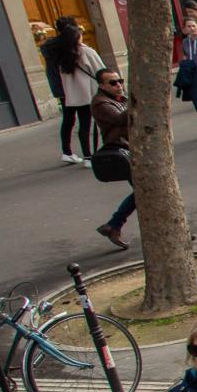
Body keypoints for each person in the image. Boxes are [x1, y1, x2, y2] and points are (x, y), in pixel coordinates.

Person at [42, 15, 104, 167]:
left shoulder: (54, 49)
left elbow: (53, 72)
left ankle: (68, 151)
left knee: (68, 120)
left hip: (66, 90)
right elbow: (100, 70)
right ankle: (88, 156)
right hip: (81, 91)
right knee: (85, 122)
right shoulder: (82, 50)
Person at [90, 67, 136, 250]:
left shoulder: (119, 98)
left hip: (132, 148)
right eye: (113, 82)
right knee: (147, 190)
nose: (119, 85)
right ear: (102, 85)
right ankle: (114, 225)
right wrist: (136, 101)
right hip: (122, 149)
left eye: (120, 81)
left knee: (145, 191)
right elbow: (119, 119)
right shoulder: (100, 103)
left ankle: (113, 225)